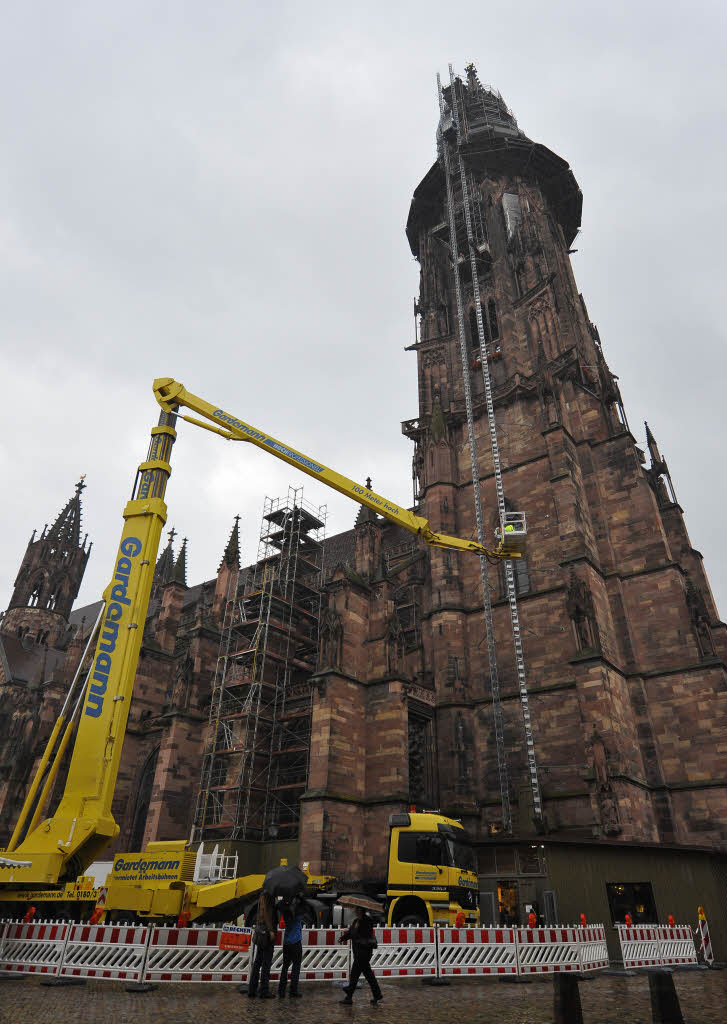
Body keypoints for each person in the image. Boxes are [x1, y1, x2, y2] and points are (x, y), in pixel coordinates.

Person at [338, 905, 383, 1005]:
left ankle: (349, 994)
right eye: (356, 909)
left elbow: (365, 934)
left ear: (362, 910)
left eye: (358, 909)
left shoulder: (367, 921)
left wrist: (357, 932)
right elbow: (350, 933)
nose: (356, 911)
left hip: (364, 952)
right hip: (358, 952)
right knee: (366, 975)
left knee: (356, 974)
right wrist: (343, 938)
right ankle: (376, 995)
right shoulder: (356, 921)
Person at [248, 891, 277, 998]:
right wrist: (271, 930)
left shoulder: (262, 895)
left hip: (261, 932)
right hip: (266, 934)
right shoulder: (268, 897)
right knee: (266, 963)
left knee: (258, 962)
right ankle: (264, 990)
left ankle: (252, 989)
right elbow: (266, 914)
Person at [278, 895, 304, 998]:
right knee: (296, 967)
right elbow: (301, 914)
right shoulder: (298, 912)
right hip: (296, 942)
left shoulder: (285, 911)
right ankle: (293, 990)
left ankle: (281, 990)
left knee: (285, 966)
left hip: (287, 942)